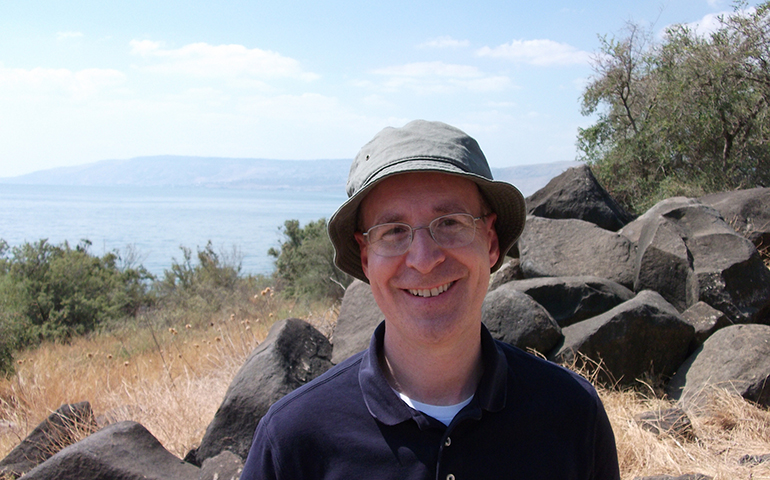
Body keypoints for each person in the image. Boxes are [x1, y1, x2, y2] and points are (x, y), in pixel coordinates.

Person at [240, 120, 620, 479]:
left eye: (450, 223)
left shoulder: (571, 415)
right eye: (393, 231)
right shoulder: (294, 440)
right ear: (367, 257)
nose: (424, 260)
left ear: (489, 242)